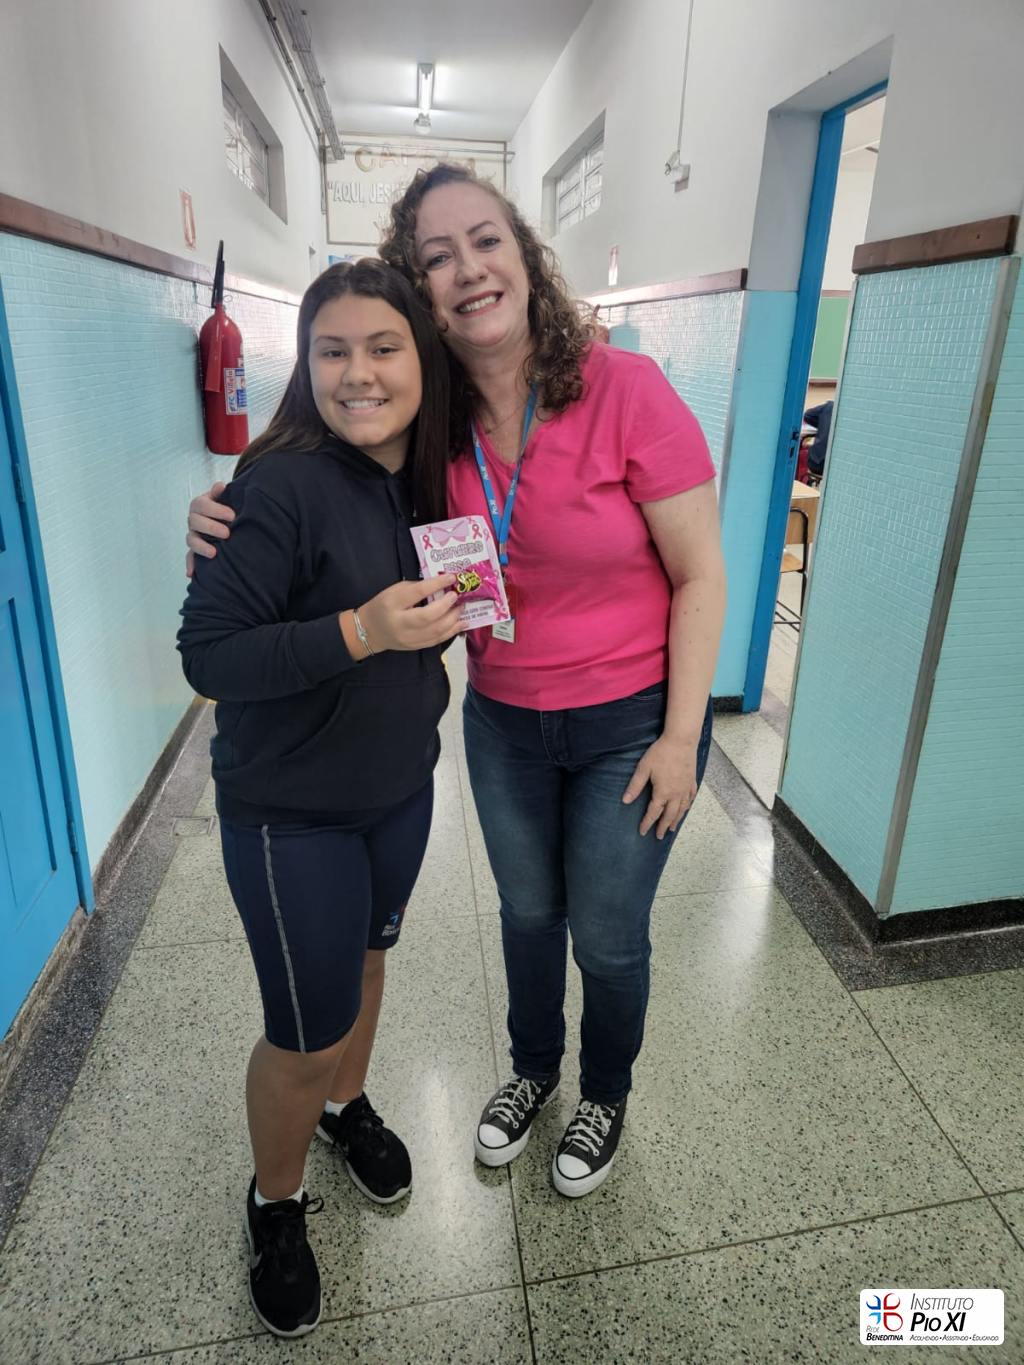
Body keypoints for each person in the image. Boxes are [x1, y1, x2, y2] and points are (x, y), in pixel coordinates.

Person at [187, 164, 726, 1203]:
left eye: (486, 240)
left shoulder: (625, 390)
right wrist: (224, 512)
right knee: (526, 913)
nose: (468, 269)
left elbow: (701, 572)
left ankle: (603, 1093)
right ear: (418, 289)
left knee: (608, 936)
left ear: (524, 255)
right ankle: (533, 1070)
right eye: (436, 257)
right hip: (505, 720)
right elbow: (322, 465)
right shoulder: (428, 424)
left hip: (633, 720)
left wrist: (680, 738)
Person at [178, 259, 464, 1338]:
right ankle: (275, 1201)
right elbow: (210, 655)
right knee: (303, 1031)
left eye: (383, 347)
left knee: (370, 963)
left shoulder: (431, 478)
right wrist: (361, 631)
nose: (357, 373)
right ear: (305, 364)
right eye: (331, 350)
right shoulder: (278, 486)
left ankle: (349, 1109)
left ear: (422, 359)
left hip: (399, 789)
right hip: (289, 813)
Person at [802, 399, 833, 479]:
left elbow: (808, 415)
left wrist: (822, 427)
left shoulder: (829, 406)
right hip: (830, 466)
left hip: (814, 461)